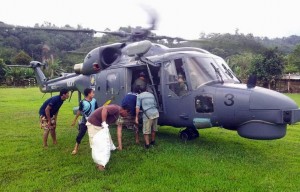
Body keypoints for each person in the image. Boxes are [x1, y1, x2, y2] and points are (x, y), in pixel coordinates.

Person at [86, 104, 130, 171]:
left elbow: (119, 130)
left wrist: (120, 145)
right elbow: (104, 109)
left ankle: (111, 149)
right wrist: (104, 123)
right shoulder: (116, 108)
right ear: (125, 110)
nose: (127, 115)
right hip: (94, 124)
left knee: (107, 140)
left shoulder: (119, 114)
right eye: (128, 113)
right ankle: (100, 165)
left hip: (101, 126)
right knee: (97, 145)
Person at [71, 88, 98, 155]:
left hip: (93, 120)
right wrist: (74, 120)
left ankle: (95, 148)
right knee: (81, 134)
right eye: (92, 92)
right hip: (85, 121)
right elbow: (79, 111)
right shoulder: (82, 102)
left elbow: (97, 110)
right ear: (88, 94)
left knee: (95, 134)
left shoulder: (94, 100)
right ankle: (76, 148)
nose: (93, 94)